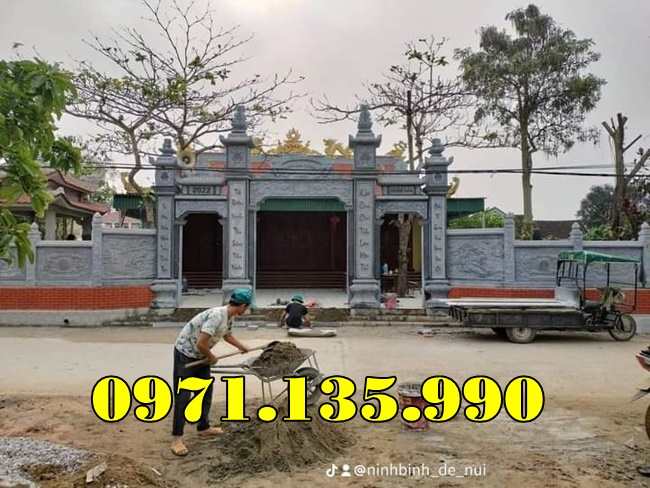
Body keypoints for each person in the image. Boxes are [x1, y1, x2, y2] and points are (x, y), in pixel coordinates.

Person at [170, 288, 252, 456]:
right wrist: (212, 357)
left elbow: (227, 335)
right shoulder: (216, 316)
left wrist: (241, 347)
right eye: (247, 307)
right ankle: (177, 439)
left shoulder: (229, 316)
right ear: (243, 306)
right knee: (183, 396)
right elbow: (201, 343)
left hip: (201, 355)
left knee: (205, 391)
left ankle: (203, 427)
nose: (247, 310)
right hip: (186, 354)